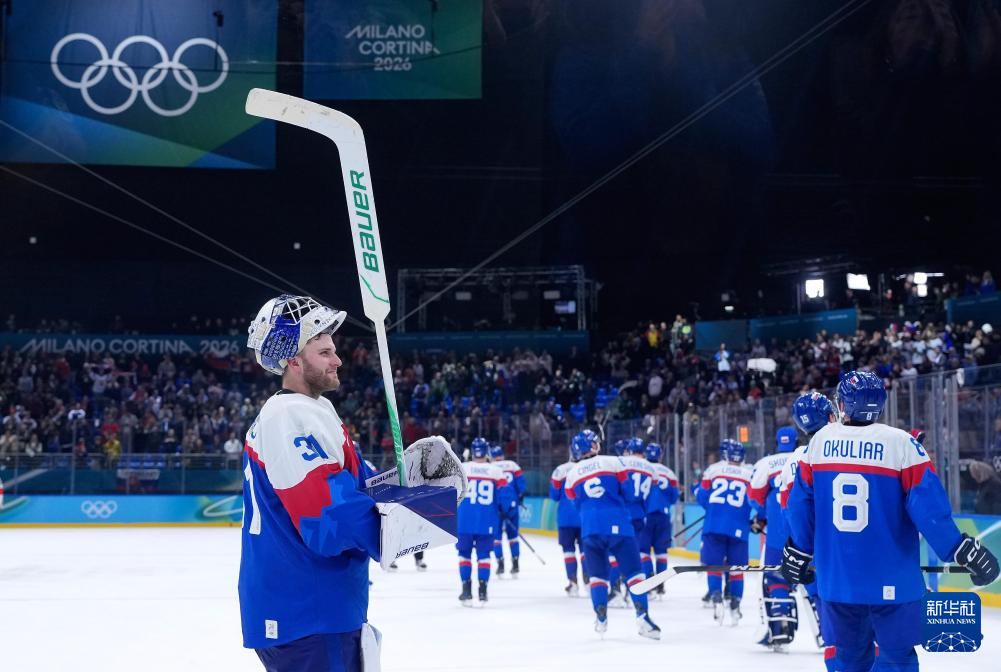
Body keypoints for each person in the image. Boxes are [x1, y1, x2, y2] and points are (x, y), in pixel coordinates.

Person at [239, 294, 464, 672]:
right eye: (324, 352)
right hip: (308, 612)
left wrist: (409, 489)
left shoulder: (312, 409)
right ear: (294, 361)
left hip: (319, 610)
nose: (337, 360)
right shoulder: (288, 416)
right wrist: (420, 517)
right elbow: (329, 519)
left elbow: (356, 487)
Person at [783, 371, 1000, 672]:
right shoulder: (903, 444)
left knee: (847, 656)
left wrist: (800, 550)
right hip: (893, 580)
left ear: (843, 405)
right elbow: (930, 512)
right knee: (897, 657)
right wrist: (961, 549)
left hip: (837, 579)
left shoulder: (818, 443)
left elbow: (799, 505)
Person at [565, 430, 660, 639]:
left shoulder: (571, 475)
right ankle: (642, 617)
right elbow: (629, 493)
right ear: (592, 446)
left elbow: (575, 502)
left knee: (598, 576)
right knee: (634, 572)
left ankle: (601, 619)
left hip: (589, 528)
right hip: (618, 524)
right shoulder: (614, 462)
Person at [778, 392, 839, 666]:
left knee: (835, 632)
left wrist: (800, 550)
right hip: (855, 550)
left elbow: (789, 508)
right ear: (831, 416)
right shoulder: (847, 445)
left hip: (816, 553)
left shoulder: (794, 459)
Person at [748, 425, 798, 651]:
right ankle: (828, 631)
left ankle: (780, 625)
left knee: (776, 577)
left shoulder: (767, 463)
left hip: (778, 530)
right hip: (809, 528)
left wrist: (762, 515)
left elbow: (754, 497)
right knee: (815, 578)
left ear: (778, 442)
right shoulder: (809, 456)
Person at [697, 438, 753, 625]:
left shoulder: (713, 470)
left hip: (714, 524)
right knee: (737, 569)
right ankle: (735, 605)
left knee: (714, 566)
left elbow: (702, 497)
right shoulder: (750, 473)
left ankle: (716, 598)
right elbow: (755, 500)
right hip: (739, 527)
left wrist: (715, 510)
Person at [458, 437, 515, 605]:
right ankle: (482, 591)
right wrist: (504, 510)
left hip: (464, 521)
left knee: (464, 555)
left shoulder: (462, 468)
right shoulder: (496, 471)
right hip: (487, 521)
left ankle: (466, 590)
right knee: (484, 556)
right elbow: (505, 496)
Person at [638, 442, 678, 599]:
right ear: (660, 455)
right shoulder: (669, 473)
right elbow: (674, 498)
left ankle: (650, 581)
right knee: (661, 552)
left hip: (645, 515)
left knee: (643, 550)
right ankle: (660, 585)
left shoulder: (642, 468)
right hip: (663, 516)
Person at [549, 445, 588, 596]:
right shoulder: (591, 468)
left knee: (568, 551)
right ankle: (589, 582)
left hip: (566, 518)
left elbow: (554, 496)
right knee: (586, 551)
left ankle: (573, 583)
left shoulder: (560, 470)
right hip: (585, 517)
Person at [490, 443, 526, 576]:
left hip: (496, 507)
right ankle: (515, 563)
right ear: (502, 455)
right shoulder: (513, 465)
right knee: (513, 536)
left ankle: (500, 564)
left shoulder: (490, 468)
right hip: (512, 505)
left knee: (496, 537)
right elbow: (521, 485)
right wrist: (519, 498)